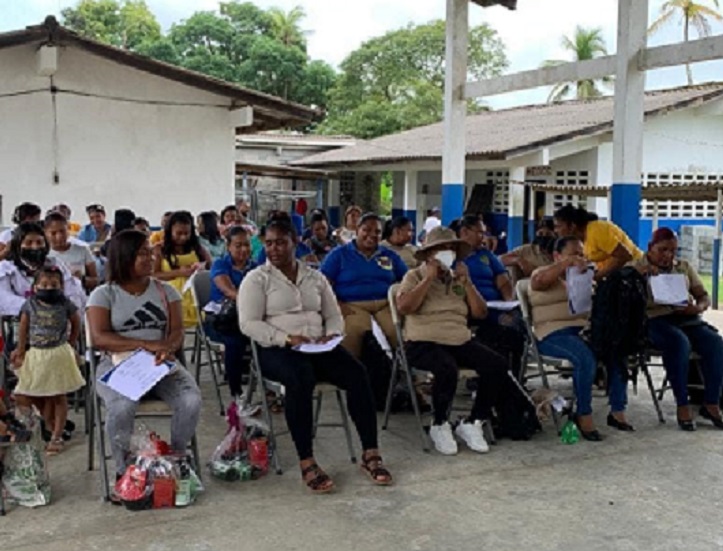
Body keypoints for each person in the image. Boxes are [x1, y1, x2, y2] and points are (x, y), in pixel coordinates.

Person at [238, 218, 392, 493]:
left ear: (295, 242)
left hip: (318, 346)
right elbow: (248, 324)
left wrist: (331, 335)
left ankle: (370, 453)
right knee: (301, 378)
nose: (274, 249)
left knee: (357, 373)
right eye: (269, 243)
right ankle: (307, 460)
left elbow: (333, 315)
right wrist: (286, 338)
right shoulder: (257, 279)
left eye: (281, 243)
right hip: (276, 349)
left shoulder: (315, 277)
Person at [87, 230, 202, 491]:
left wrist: (168, 348)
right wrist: (145, 344)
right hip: (118, 363)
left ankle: (176, 458)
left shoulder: (165, 292)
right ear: (123, 257)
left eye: (150, 252)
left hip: (158, 364)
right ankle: (124, 471)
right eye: (141, 253)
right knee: (122, 407)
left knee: (190, 399)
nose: (150, 258)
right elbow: (99, 337)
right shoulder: (104, 294)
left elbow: (175, 333)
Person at [396, 226, 510, 455]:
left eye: (450, 248)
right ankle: (439, 423)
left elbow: (480, 313)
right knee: (446, 367)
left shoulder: (458, 279)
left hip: (458, 338)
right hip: (422, 340)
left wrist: (467, 283)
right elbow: (404, 307)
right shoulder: (414, 276)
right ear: (429, 254)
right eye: (440, 249)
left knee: (496, 364)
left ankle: (473, 421)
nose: (446, 252)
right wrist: (428, 279)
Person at [530, 236, 632, 440]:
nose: (580, 258)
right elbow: (539, 282)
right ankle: (583, 413)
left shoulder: (584, 277)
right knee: (585, 358)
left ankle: (617, 410)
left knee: (617, 351)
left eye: (582, 254)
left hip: (583, 330)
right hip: (552, 333)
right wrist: (566, 264)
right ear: (557, 256)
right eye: (574, 254)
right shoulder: (542, 273)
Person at [633, 227, 723, 431]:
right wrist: (639, 276)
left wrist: (697, 307)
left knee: (715, 342)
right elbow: (622, 294)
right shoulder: (636, 267)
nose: (668, 255)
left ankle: (711, 402)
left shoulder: (682, 267)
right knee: (678, 343)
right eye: (663, 250)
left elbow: (703, 295)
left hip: (684, 317)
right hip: (653, 319)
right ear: (650, 248)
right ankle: (682, 403)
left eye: (673, 251)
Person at [10, 266, 85, 455]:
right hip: (36, 354)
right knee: (27, 392)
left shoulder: (65, 303)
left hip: (59, 354)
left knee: (59, 396)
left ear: (61, 286)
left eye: (54, 284)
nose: (48, 288)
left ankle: (57, 436)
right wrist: (20, 350)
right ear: (35, 286)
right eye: (43, 284)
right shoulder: (29, 304)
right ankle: (47, 424)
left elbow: (76, 322)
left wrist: (71, 344)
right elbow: (23, 328)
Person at [320, 213, 407, 358]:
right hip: (352, 304)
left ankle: (401, 370)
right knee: (356, 332)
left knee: (397, 332)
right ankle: (357, 372)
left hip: (385, 304)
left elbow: (407, 278)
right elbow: (322, 284)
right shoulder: (339, 255)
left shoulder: (389, 255)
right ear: (357, 230)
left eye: (377, 232)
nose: (372, 235)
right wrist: (336, 305)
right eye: (366, 230)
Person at [205, 226, 256, 399]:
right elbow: (229, 291)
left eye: (247, 245)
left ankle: (269, 391)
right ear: (228, 247)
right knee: (235, 342)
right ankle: (237, 394)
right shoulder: (220, 265)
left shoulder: (255, 267)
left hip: (248, 317)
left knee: (271, 338)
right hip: (222, 320)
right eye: (238, 245)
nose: (244, 250)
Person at [0, 222, 86, 317]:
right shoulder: (6, 268)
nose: (35, 247)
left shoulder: (55, 264)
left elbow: (72, 292)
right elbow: (4, 299)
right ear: (18, 245)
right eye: (29, 243)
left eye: (39, 242)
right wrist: (39, 308)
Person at [153, 211, 211, 328]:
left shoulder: (197, 248)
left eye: (187, 233)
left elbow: (210, 265)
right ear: (169, 232)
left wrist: (201, 266)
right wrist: (179, 273)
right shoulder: (159, 249)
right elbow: (153, 275)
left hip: (195, 295)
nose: (183, 237)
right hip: (169, 297)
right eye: (179, 233)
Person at [553, 204, 642, 280]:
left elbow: (624, 256)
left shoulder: (596, 231)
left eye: (559, 226)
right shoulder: (581, 240)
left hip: (637, 269)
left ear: (572, 226)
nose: (556, 230)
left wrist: (597, 276)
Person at [45, 211, 99, 293]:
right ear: (46, 233)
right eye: (53, 233)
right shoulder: (44, 254)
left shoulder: (83, 250)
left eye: (62, 231)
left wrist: (82, 279)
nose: (59, 236)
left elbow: (95, 280)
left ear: (68, 229)